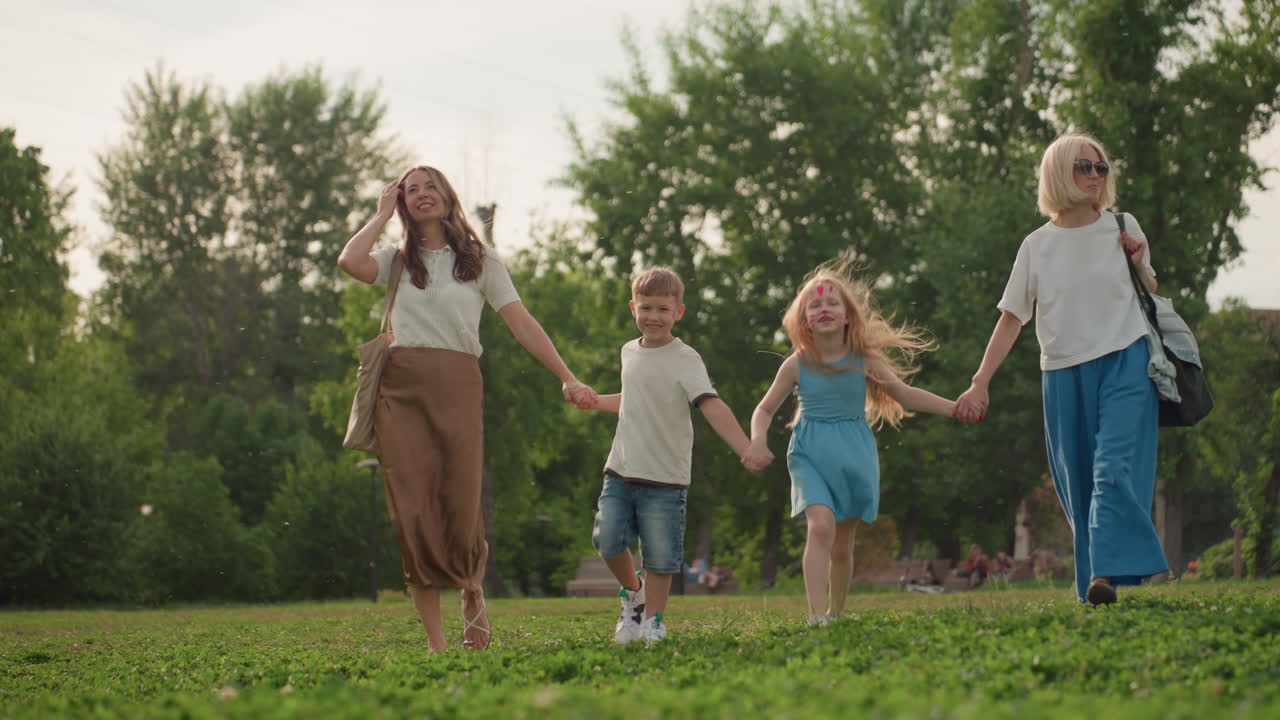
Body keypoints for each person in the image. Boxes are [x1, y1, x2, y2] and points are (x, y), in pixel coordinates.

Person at [337, 165, 594, 652]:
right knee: (411, 510)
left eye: (429, 185)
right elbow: (350, 261)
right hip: (401, 391)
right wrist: (379, 214)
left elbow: (522, 324)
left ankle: (471, 587)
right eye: (410, 191)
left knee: (459, 502)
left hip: (458, 388)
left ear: (446, 195)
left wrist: (567, 375)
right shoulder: (395, 259)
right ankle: (436, 645)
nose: (421, 194)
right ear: (402, 204)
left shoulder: (479, 260)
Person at [953, 133, 1169, 605]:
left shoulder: (1122, 225)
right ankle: (1095, 581)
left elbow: (1150, 286)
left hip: (1126, 361)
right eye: (1083, 167)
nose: (1095, 176)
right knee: (1079, 484)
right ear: (1057, 174)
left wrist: (1138, 260)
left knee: (1112, 469)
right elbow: (1011, 319)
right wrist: (979, 382)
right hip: (1064, 374)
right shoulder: (1036, 246)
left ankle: (1106, 575)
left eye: (1101, 168)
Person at [747, 259, 964, 626]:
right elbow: (764, 410)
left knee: (842, 545)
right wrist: (756, 440)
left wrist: (955, 409)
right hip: (809, 452)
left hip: (853, 454)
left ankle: (837, 612)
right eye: (814, 305)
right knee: (820, 527)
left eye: (833, 303)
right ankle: (816, 615)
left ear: (848, 316)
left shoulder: (865, 360)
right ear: (804, 321)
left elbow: (906, 396)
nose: (824, 309)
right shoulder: (796, 364)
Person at [576, 267, 770, 644]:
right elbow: (635, 400)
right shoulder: (628, 352)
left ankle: (654, 622)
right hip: (621, 468)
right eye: (646, 307)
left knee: (661, 557)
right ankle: (633, 593)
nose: (654, 316)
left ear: (678, 312)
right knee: (608, 540)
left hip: (666, 477)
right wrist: (596, 400)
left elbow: (711, 405)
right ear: (633, 307)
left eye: (663, 309)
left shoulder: (686, 358)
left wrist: (745, 447)